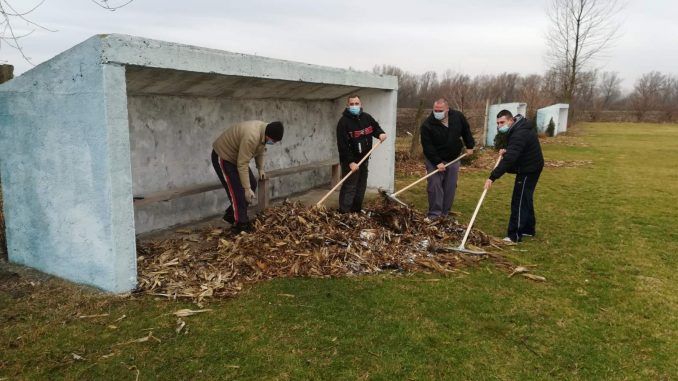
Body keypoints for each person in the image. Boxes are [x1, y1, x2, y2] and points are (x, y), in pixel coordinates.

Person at [211, 120, 284, 233]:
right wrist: (246, 188)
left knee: (252, 184)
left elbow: (260, 151)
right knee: (238, 192)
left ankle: (231, 215)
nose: (273, 143)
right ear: (268, 135)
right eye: (273, 141)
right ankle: (241, 225)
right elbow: (243, 164)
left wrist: (260, 169)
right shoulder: (252, 137)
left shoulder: (264, 133)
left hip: (237, 158)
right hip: (223, 156)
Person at [484, 110, 544, 243]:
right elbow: (515, 150)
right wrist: (507, 150)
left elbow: (510, 159)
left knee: (519, 199)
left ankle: (514, 235)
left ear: (511, 120)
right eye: (498, 123)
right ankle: (528, 229)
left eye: (502, 122)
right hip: (531, 165)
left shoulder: (519, 132)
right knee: (525, 197)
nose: (499, 126)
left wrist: (492, 177)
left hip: (529, 169)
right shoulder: (518, 127)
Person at [420, 98, 475, 219]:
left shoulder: (457, 117)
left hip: (453, 158)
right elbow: (427, 147)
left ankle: (444, 213)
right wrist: (437, 162)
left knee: (450, 186)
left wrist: (470, 145)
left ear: (447, 109)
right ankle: (434, 214)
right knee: (434, 185)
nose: (437, 112)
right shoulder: (427, 125)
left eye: (440, 110)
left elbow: (466, 130)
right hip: (434, 159)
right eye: (435, 110)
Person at [336, 95, 387, 213]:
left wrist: (380, 134)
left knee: (361, 185)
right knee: (350, 186)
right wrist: (350, 162)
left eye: (356, 103)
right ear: (347, 106)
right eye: (352, 104)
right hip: (351, 161)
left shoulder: (367, 118)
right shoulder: (343, 122)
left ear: (361, 104)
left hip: (364, 158)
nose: (354, 106)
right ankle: (344, 212)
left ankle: (356, 210)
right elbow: (342, 145)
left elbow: (375, 128)